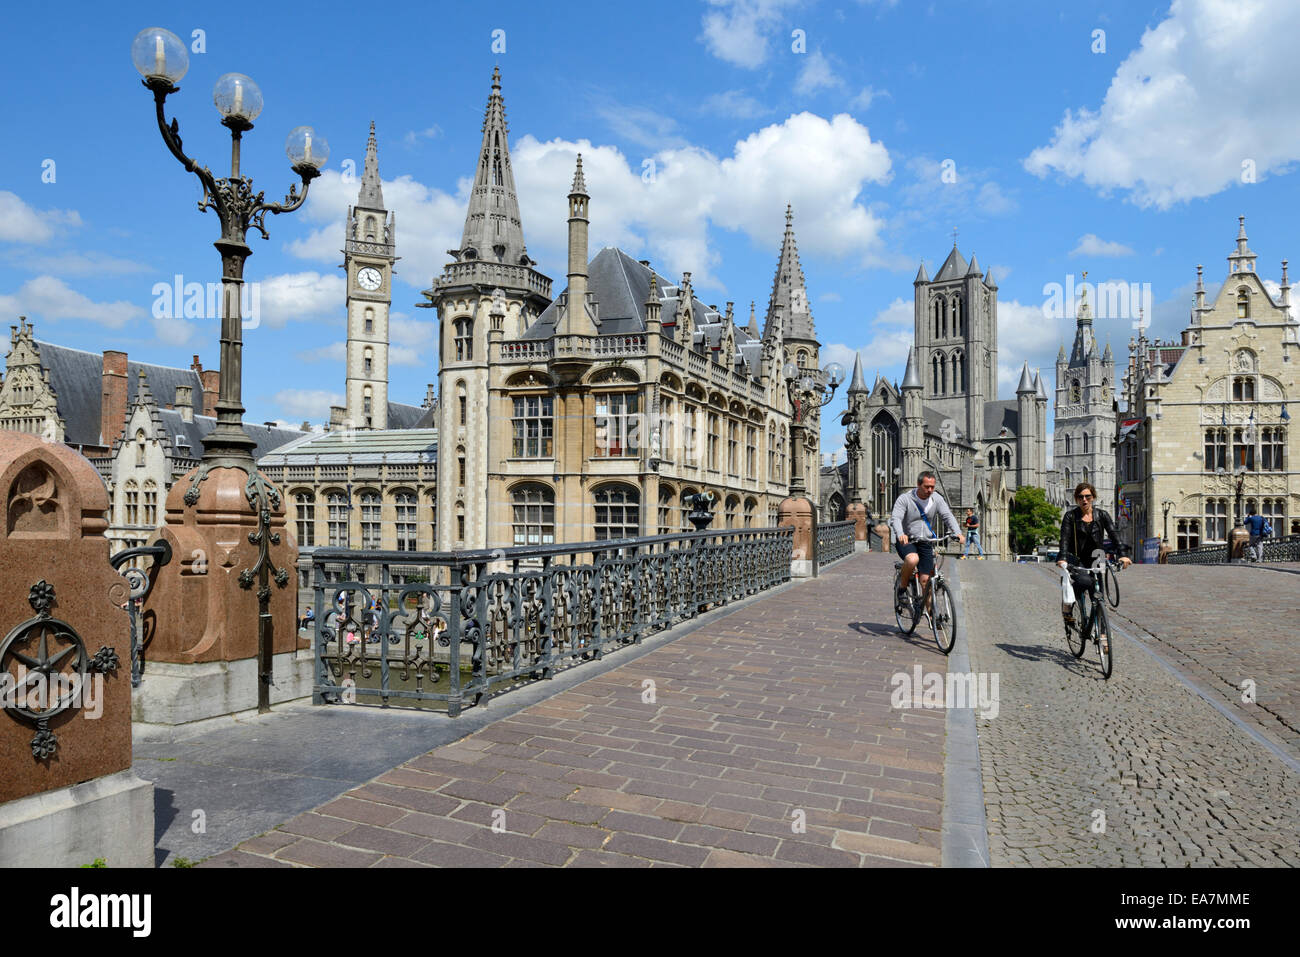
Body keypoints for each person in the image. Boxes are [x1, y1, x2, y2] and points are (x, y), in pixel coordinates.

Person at [1057, 481, 1131, 646]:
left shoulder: (1102, 515)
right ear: (1076, 499)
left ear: (1093, 497)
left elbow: (1114, 535)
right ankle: (1069, 608)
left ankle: (1102, 634)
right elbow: (1065, 538)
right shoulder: (1071, 516)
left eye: (1087, 496)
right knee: (1083, 583)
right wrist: (1062, 557)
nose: (1084, 500)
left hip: (1097, 559)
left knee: (1099, 598)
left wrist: (1123, 555)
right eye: (1080, 497)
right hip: (1077, 559)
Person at [891, 471, 965, 612]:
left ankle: (933, 616)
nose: (930, 490)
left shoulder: (936, 498)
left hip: (926, 541)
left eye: (932, 486)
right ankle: (902, 589)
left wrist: (958, 533)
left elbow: (947, 516)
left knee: (926, 581)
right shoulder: (905, 499)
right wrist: (900, 534)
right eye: (926, 487)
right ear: (918, 485)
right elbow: (896, 518)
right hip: (907, 540)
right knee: (912, 560)